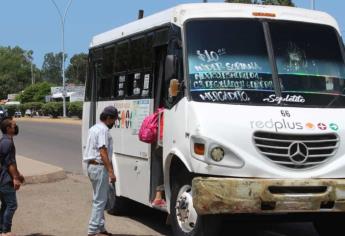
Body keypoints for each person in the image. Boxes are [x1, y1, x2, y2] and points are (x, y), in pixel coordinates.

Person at [83, 106, 118, 236]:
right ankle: (92, 231)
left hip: (92, 167)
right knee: (99, 201)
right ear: (108, 118)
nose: (114, 123)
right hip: (99, 167)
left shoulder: (94, 128)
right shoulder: (103, 130)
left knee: (99, 198)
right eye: (114, 120)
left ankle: (101, 228)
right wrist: (111, 171)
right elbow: (103, 151)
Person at [0, 117, 25, 236]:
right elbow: (9, 163)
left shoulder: (5, 141)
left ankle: (2, 230)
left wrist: (18, 174)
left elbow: (10, 162)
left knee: (5, 205)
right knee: (11, 205)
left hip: (4, 178)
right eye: (14, 126)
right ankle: (6, 231)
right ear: (8, 128)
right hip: (5, 179)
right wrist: (15, 178)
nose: (16, 127)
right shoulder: (7, 142)